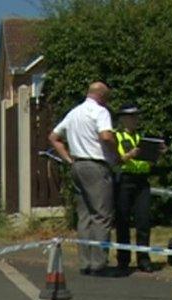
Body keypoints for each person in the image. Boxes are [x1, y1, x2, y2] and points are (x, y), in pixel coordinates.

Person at [48, 81, 122, 277]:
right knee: (101, 215)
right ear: (102, 97)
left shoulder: (74, 113)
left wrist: (68, 158)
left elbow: (53, 137)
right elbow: (106, 136)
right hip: (96, 165)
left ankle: (85, 261)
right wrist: (116, 154)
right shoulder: (100, 112)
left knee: (85, 215)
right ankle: (99, 263)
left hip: (77, 165)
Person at [113, 103, 164, 272]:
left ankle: (143, 259)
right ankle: (123, 259)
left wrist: (157, 152)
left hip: (142, 180)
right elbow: (115, 160)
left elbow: (149, 159)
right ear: (123, 119)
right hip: (124, 179)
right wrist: (129, 155)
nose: (136, 120)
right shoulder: (116, 136)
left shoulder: (142, 137)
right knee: (123, 221)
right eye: (132, 117)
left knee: (143, 220)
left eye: (137, 117)